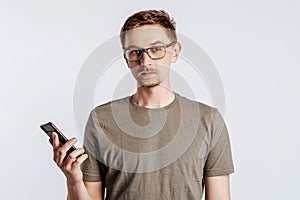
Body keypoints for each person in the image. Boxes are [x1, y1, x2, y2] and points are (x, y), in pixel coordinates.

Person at [50, 9, 234, 200]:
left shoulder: (209, 120)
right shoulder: (101, 119)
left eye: (156, 49)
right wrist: (74, 181)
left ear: (175, 52)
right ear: (126, 59)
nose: (145, 61)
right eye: (135, 52)